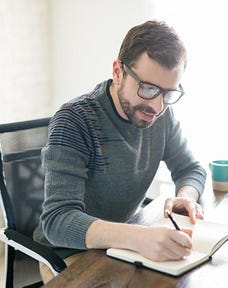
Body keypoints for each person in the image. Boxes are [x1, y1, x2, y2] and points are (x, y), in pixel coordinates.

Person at [33, 20, 206, 282]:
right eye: (147, 88)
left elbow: (190, 169)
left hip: (127, 238)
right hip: (70, 251)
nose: (157, 106)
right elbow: (58, 221)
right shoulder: (74, 121)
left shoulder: (163, 116)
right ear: (118, 72)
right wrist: (138, 237)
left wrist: (187, 196)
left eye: (168, 94)